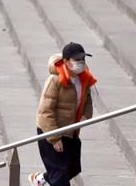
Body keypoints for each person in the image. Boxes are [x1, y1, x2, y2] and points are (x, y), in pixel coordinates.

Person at [29, 42, 97, 186]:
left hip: (71, 131)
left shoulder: (83, 79)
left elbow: (87, 101)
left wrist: (85, 115)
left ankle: (40, 178)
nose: (81, 63)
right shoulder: (55, 80)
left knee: (73, 168)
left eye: (83, 59)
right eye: (77, 60)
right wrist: (54, 138)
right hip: (51, 130)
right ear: (66, 61)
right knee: (60, 177)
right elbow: (45, 111)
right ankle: (48, 178)